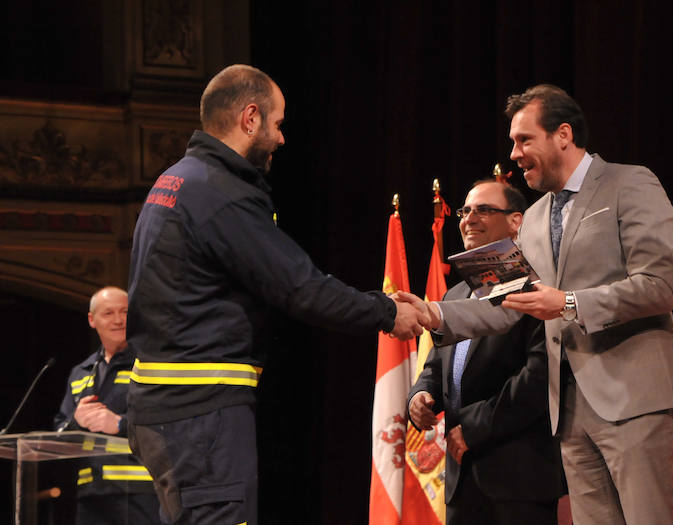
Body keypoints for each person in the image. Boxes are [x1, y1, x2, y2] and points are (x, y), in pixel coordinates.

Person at [125, 64, 427, 525]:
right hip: (200, 413)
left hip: (166, 409)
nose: (282, 138)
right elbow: (300, 287)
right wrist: (386, 312)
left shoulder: (177, 180)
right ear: (250, 118)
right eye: (278, 124)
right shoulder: (219, 193)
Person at [401, 84, 673, 524]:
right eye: (513, 142)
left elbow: (657, 286)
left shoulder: (630, 183)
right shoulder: (535, 217)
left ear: (563, 134)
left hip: (636, 402)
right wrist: (434, 313)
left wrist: (569, 302)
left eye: (524, 140)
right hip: (569, 415)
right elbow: (503, 303)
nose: (515, 153)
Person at [407, 180, 563, 525]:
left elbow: (539, 377)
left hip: (518, 478)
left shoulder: (537, 288)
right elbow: (436, 365)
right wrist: (420, 394)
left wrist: (472, 428)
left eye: (484, 210)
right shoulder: (454, 295)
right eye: (465, 211)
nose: (468, 219)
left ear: (516, 222)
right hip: (461, 480)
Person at [54, 286, 160, 525]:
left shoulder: (150, 365)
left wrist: (120, 424)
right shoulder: (80, 372)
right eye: (109, 313)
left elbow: (168, 422)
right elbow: (59, 433)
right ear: (92, 320)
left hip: (142, 492)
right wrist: (75, 422)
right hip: (91, 493)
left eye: (124, 312)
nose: (118, 320)